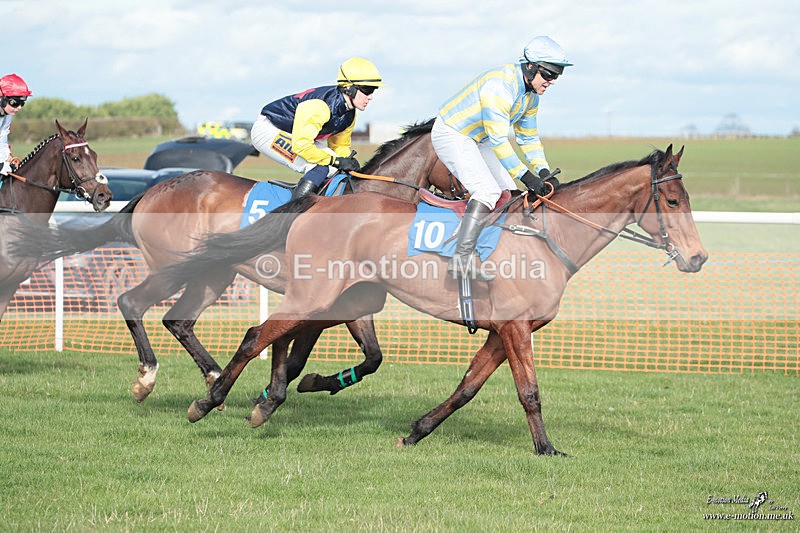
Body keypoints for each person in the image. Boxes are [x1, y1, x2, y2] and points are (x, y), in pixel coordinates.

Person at [432, 36, 572, 281]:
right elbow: (499, 141)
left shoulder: (531, 97)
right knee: (486, 192)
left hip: (479, 138)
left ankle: (489, 250)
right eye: (548, 74)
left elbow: (528, 138)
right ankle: (460, 258)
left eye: (556, 76)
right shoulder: (500, 86)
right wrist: (526, 176)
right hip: (453, 133)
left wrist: (543, 172)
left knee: (507, 191)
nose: (551, 82)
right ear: (530, 67)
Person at [251, 57, 385, 199]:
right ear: (349, 88)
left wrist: (347, 161)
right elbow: (301, 146)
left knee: (338, 170)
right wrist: (335, 161)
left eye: (373, 91)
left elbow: (339, 145)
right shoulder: (319, 107)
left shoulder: (350, 113)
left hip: (301, 137)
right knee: (319, 167)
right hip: (270, 129)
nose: (370, 97)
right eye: (367, 90)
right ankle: (291, 213)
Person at [0, 73, 32, 178]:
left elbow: (2, 140)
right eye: (15, 103)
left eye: (22, 103)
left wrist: (8, 158)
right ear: (2, 99)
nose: (19, 108)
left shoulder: (7, 116)